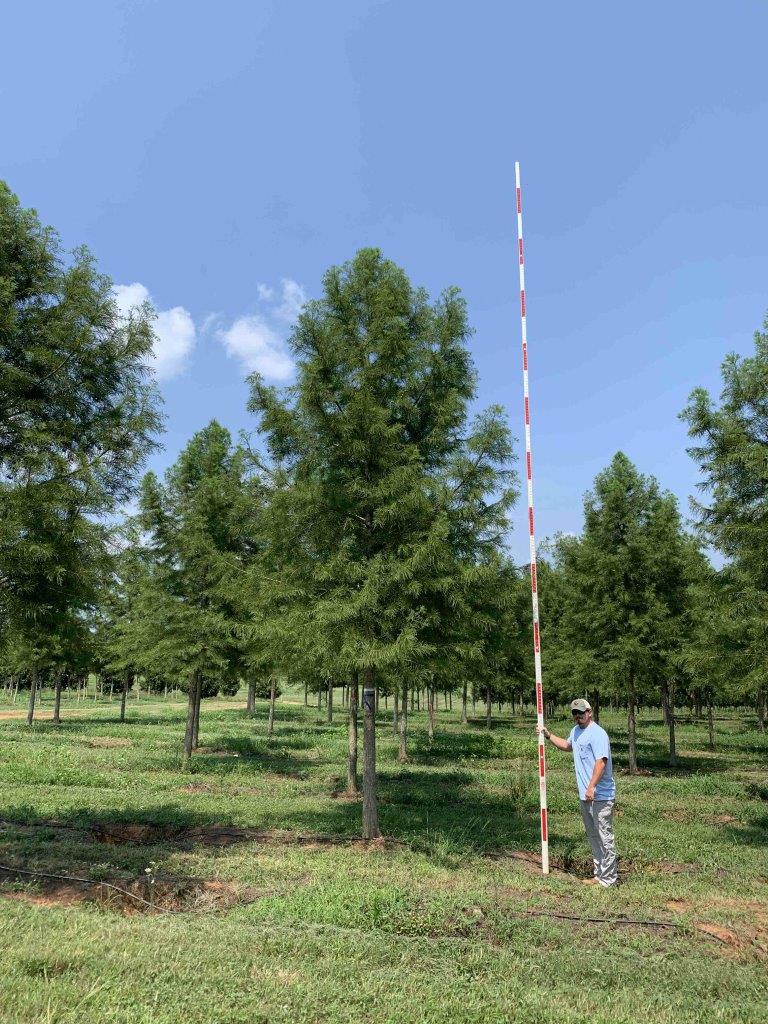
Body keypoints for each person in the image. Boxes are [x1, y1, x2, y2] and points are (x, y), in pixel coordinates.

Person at [536, 698, 618, 887]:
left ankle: (609, 879)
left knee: (604, 836)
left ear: (589, 712)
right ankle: (599, 875)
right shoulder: (576, 731)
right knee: (594, 836)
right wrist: (548, 735)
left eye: (581, 712)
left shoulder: (598, 734)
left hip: (600, 796)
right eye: (575, 713)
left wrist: (591, 787)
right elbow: (567, 745)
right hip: (586, 796)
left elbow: (601, 762)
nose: (578, 716)